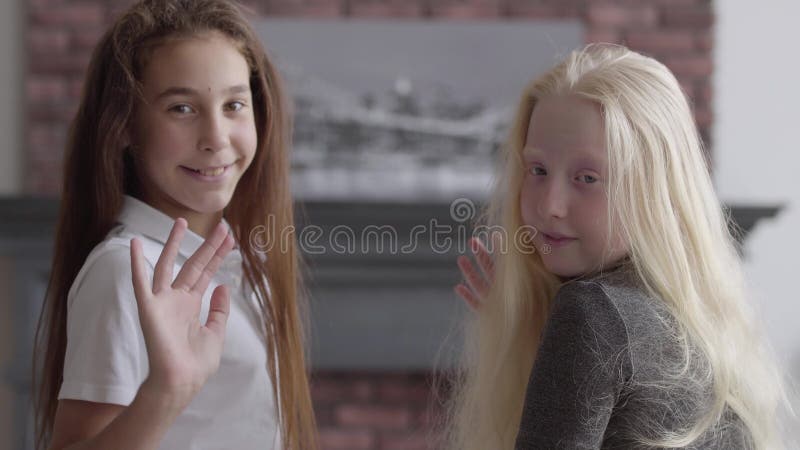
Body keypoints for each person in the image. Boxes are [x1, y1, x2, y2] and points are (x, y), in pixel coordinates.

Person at [448, 43, 791, 449]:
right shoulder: (699, 327)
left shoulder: (592, 313)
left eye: (587, 178)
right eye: (537, 170)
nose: (549, 205)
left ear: (653, 190)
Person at [32, 1, 316, 448]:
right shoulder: (125, 270)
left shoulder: (247, 256)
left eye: (234, 105)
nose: (217, 139)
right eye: (182, 108)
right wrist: (167, 392)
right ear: (125, 126)